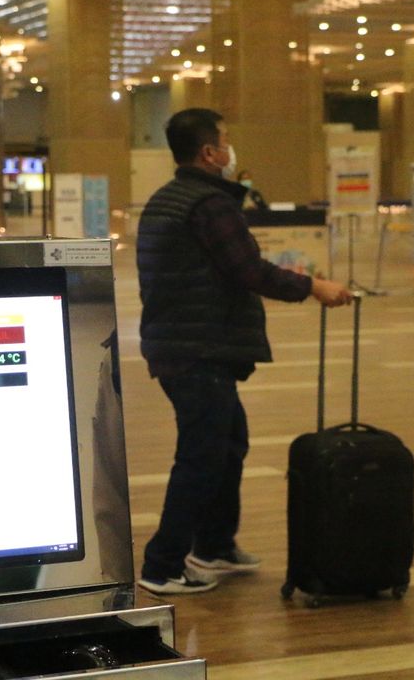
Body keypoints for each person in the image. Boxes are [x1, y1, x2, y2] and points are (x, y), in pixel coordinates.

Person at [135, 107, 353, 595]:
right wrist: (313, 286)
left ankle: (214, 545)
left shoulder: (168, 199)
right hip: (197, 349)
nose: (232, 150)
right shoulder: (209, 205)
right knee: (201, 455)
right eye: (226, 141)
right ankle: (163, 564)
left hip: (180, 343)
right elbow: (250, 271)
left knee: (229, 443)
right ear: (210, 152)